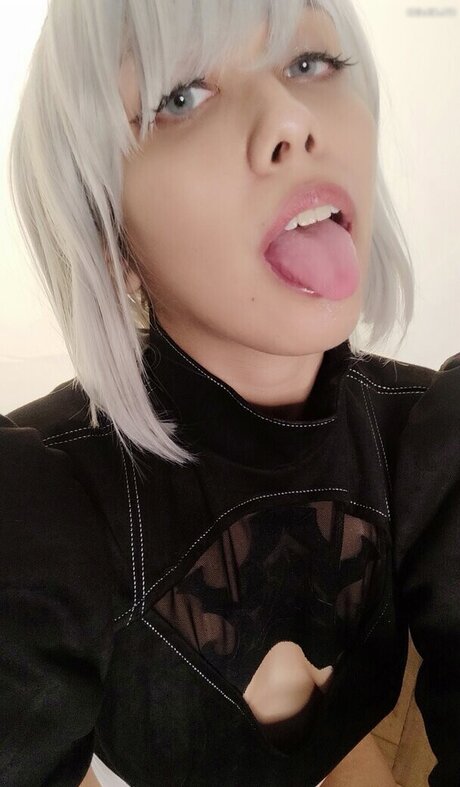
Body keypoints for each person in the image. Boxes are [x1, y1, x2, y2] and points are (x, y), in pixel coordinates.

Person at [1, 0, 459, 784]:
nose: (290, 118)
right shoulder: (42, 502)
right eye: (179, 97)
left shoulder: (430, 440)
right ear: (108, 235)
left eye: (310, 62)